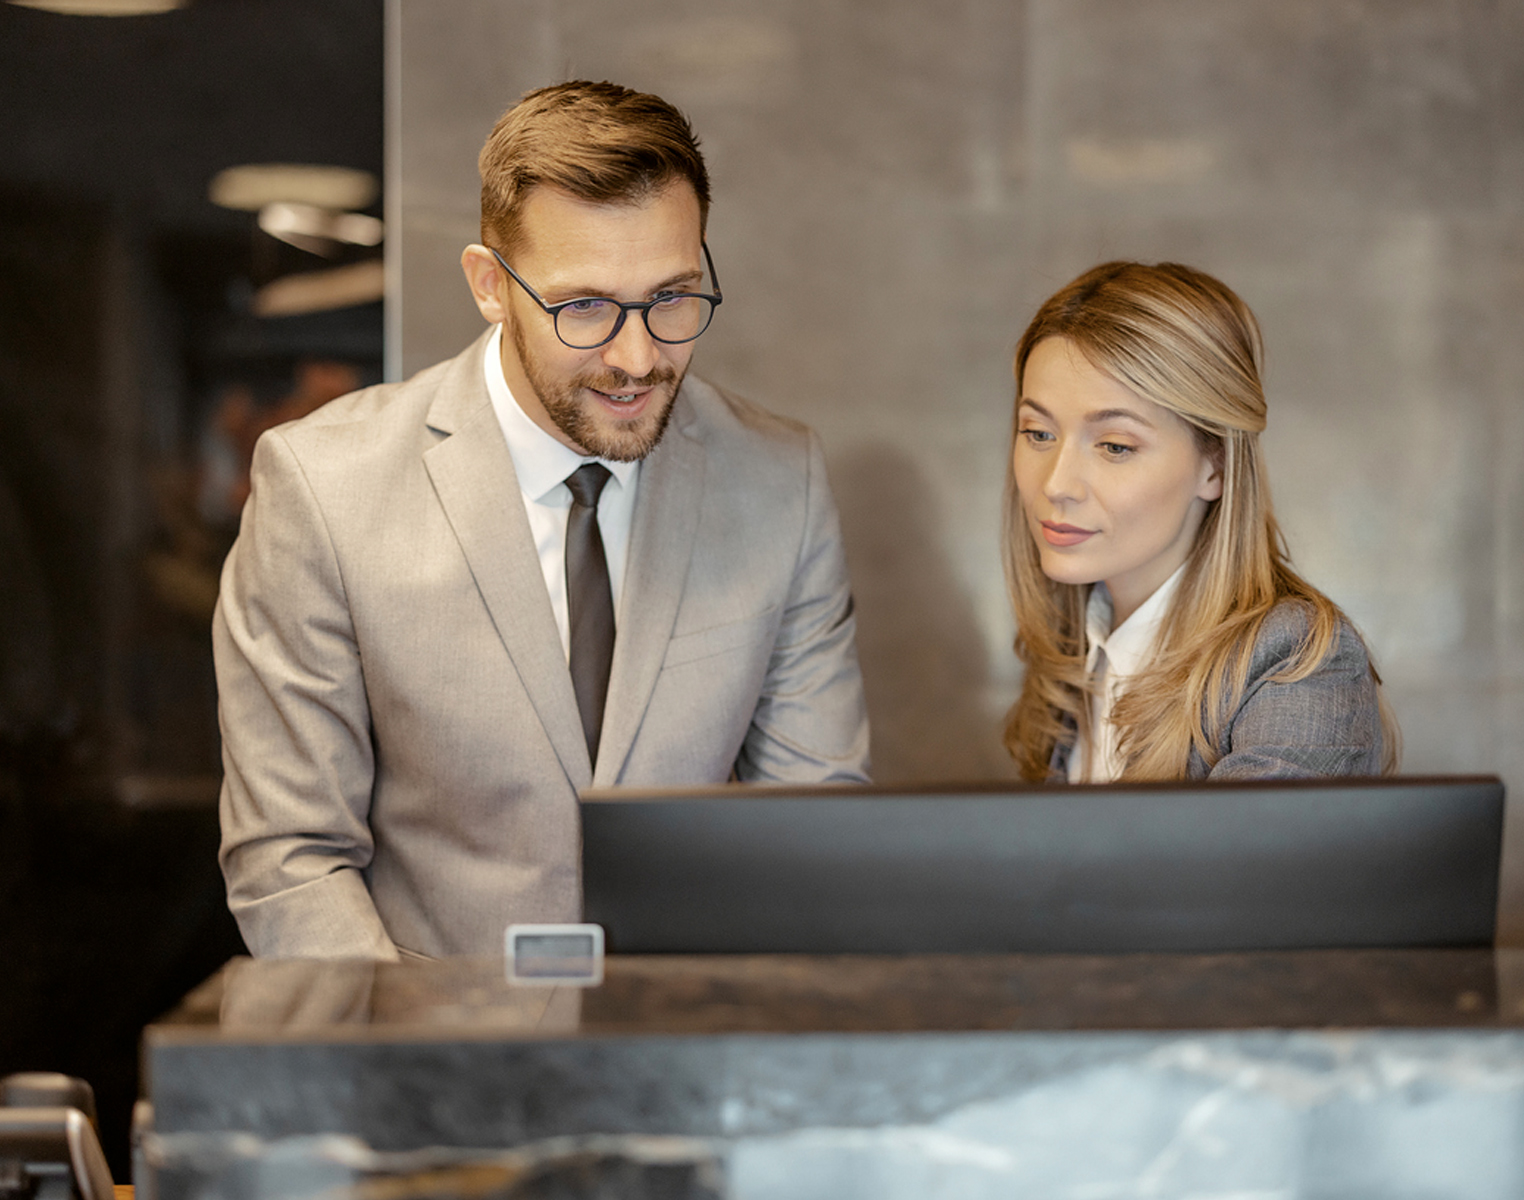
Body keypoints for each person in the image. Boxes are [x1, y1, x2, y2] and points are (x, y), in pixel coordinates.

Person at [214, 81, 871, 960]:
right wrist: (425, 1077)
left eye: (673, 298)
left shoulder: (778, 479)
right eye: (585, 306)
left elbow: (812, 842)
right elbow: (293, 859)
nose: (638, 357)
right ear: (491, 285)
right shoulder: (323, 485)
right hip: (429, 1060)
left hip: (690, 1061)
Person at [1003, 260, 1399, 783]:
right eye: (1038, 433)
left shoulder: (1296, 663)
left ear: (1215, 465)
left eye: (1115, 446)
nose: (1056, 485)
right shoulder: (1074, 651)